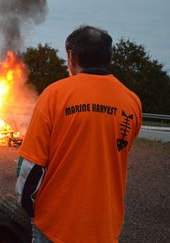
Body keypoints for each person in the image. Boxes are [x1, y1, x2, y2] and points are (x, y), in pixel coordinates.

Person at [15, 25, 142, 243]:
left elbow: (32, 166)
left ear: (72, 57)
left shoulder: (54, 95)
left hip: (56, 226)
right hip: (105, 227)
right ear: (108, 57)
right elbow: (117, 151)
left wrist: (26, 207)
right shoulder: (131, 102)